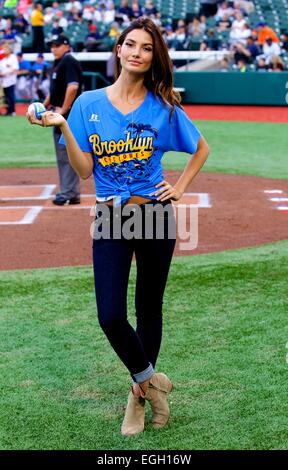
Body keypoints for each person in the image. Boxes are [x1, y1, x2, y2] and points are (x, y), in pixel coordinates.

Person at [27, 18, 209, 435]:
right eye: (130, 44)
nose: (136, 53)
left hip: (154, 215)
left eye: (146, 48)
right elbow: (85, 170)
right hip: (110, 214)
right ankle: (151, 382)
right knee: (109, 314)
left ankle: (136, 400)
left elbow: (200, 148)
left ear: (152, 57)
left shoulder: (163, 105)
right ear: (118, 49)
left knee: (148, 308)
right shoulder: (90, 103)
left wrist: (179, 188)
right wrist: (63, 127)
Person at [44, 35, 83, 205]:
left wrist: (63, 109)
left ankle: (69, 192)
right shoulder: (59, 63)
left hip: (68, 118)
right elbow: (55, 91)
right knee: (63, 155)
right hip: (60, 117)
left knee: (67, 154)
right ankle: (70, 191)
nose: (53, 48)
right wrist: (43, 106)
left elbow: (73, 87)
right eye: (52, 45)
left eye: (57, 45)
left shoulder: (69, 61)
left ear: (67, 46)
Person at [0, 43, 19, 116]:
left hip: (11, 80)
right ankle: (8, 111)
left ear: (9, 49)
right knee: (6, 97)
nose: (4, 50)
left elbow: (15, 69)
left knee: (11, 96)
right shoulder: (3, 60)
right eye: (3, 49)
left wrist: (6, 73)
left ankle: (13, 111)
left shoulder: (13, 57)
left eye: (6, 49)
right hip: (3, 81)